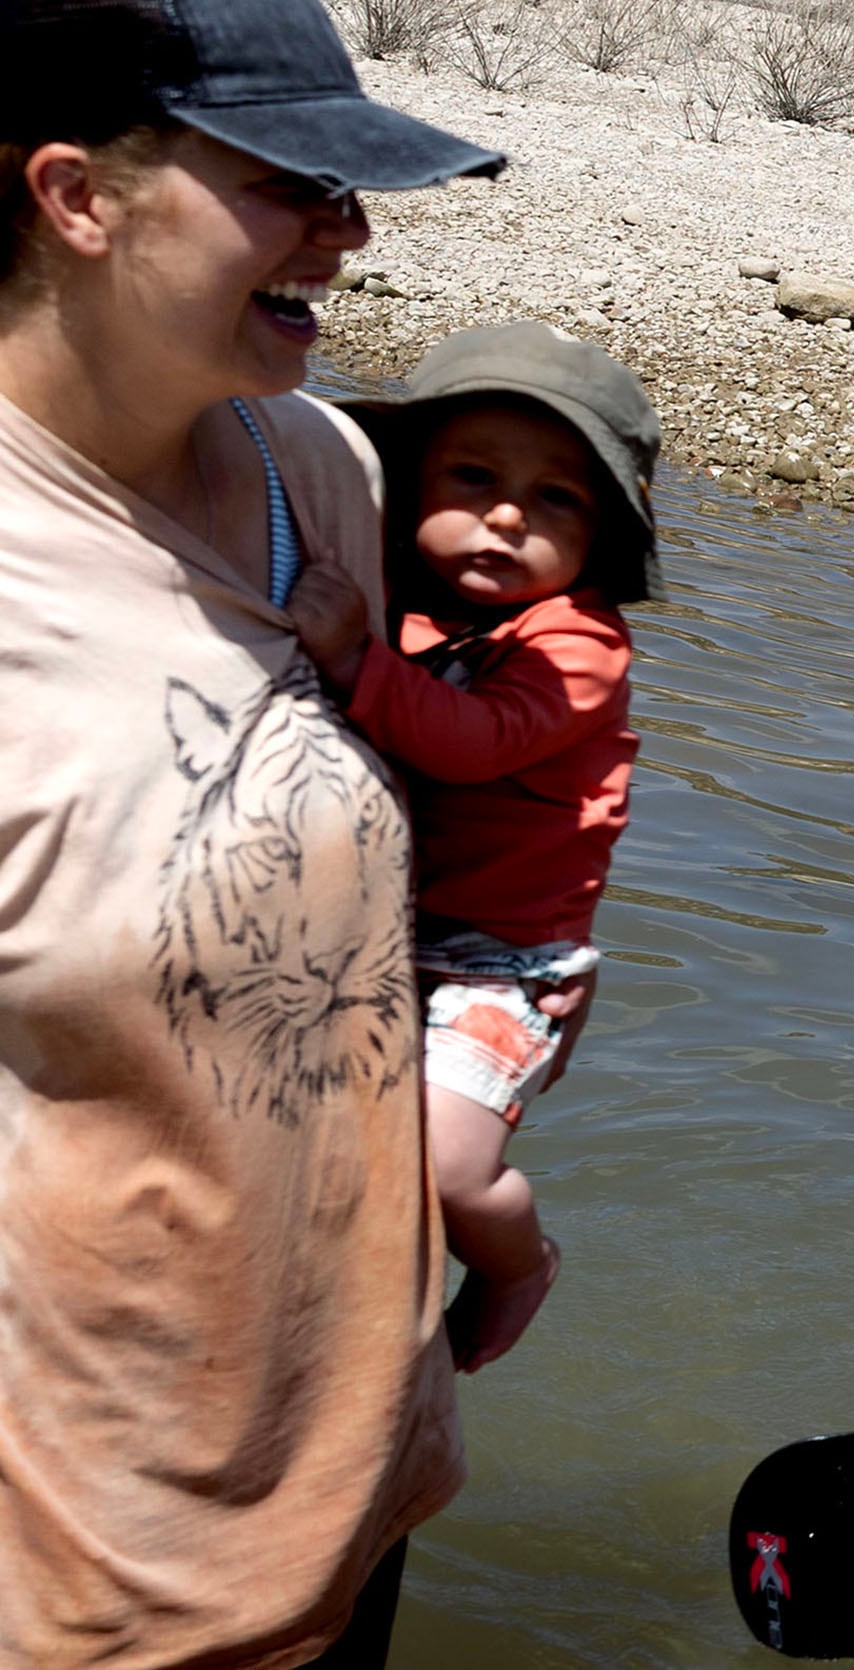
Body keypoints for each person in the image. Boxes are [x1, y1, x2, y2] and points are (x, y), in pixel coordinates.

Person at [0, 0, 502, 1666]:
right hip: (94, 1598)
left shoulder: (320, 473)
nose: (352, 232)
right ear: (77, 196)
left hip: (355, 1517)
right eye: (296, 177)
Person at [289, 321, 657, 1376]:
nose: (505, 516)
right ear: (408, 488)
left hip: (505, 959)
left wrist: (352, 652)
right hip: (384, 931)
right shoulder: (397, 601)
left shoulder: (579, 643)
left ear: (600, 544)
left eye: (556, 500)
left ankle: (515, 1263)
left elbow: (471, 741)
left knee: (450, 1165)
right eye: (474, 478)